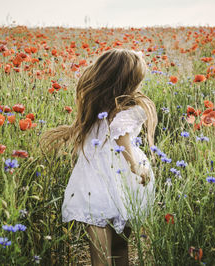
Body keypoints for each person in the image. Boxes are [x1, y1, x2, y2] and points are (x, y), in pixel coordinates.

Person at [40, 48, 157, 266]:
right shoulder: (123, 109)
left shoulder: (97, 106)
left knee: (101, 254)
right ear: (129, 81)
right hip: (122, 179)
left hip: (95, 183)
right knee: (120, 246)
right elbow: (121, 138)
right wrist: (136, 167)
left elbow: (117, 135)